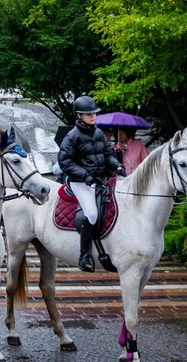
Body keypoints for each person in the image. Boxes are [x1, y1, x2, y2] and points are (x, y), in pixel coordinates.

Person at [58, 94, 125, 272]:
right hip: (81, 182)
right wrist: (85, 175)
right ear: (79, 116)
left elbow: (108, 154)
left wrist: (117, 166)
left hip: (99, 180)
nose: (93, 117)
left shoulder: (98, 133)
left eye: (94, 114)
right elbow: (64, 161)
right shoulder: (72, 136)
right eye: (89, 114)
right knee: (92, 214)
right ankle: (84, 255)